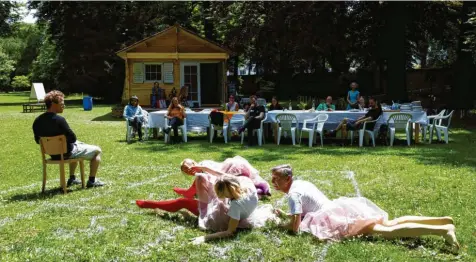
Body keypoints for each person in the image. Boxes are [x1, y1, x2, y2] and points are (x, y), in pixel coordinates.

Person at [271, 164, 459, 249]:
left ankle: (442, 230)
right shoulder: (300, 184)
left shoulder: (293, 195)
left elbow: (295, 228)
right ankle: (444, 222)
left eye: (276, 180)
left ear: (288, 179)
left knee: (384, 231)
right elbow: (303, 210)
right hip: (339, 209)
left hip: (334, 218)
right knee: (389, 223)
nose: (273, 183)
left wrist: (282, 225)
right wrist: (288, 214)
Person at [136, 172, 278, 241]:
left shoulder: (236, 206)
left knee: (182, 202)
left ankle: (149, 204)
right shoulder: (247, 185)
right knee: (201, 177)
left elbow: (229, 232)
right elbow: (226, 178)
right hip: (233, 207)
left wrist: (204, 238)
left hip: (218, 217)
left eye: (220, 193)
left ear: (226, 192)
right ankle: (188, 195)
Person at [32, 90, 105, 188]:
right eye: (62, 103)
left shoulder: (37, 121)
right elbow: (72, 138)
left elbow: (38, 141)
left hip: (52, 154)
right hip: (67, 153)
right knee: (97, 150)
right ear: (53, 104)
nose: (64, 105)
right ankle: (92, 180)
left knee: (77, 145)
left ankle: (72, 178)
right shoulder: (59, 120)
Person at [174, 156, 271, 197]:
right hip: (232, 171)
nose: (188, 170)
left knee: (239, 185)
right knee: (244, 185)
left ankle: (263, 188)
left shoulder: (204, 165)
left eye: (188, 167)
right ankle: (262, 190)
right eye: (185, 171)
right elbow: (193, 190)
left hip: (233, 169)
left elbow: (191, 191)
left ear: (194, 163)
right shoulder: (200, 173)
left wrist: (182, 191)